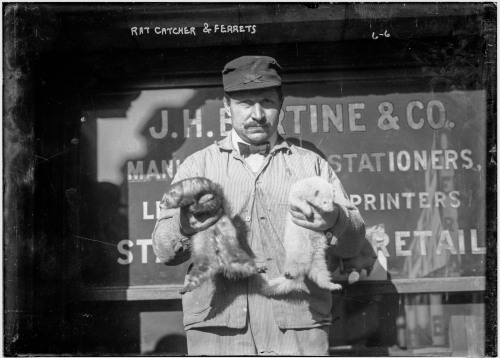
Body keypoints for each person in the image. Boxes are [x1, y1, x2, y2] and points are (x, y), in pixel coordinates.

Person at [152, 55, 366, 355]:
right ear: (227, 106)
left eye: (266, 101)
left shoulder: (311, 165)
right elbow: (162, 250)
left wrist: (335, 219)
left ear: (282, 102)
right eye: (243, 103)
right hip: (217, 329)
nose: (257, 114)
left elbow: (354, 244)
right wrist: (183, 227)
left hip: (297, 327)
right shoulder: (196, 166)